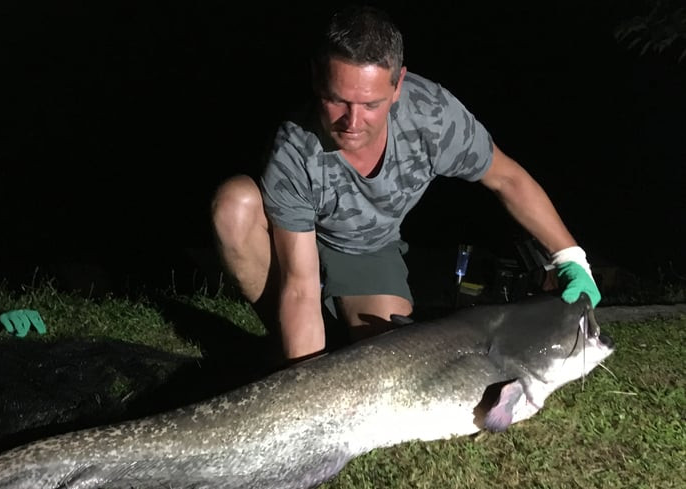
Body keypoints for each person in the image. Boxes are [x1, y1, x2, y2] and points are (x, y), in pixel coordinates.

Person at [211, 4, 601, 363]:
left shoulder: (432, 116)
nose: (352, 121)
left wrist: (570, 258)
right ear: (316, 78)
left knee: (390, 356)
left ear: (398, 85)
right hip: (294, 243)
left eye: (371, 104)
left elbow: (508, 179)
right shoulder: (294, 148)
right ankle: (295, 349)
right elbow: (300, 286)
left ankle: (334, 341)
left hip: (368, 250)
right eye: (337, 100)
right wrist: (308, 379)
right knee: (235, 205)